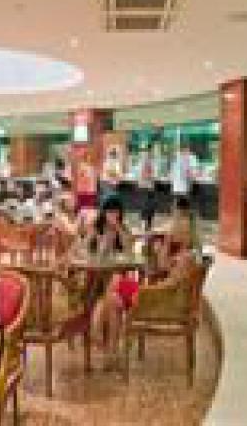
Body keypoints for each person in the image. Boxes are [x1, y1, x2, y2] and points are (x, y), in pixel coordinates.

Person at [86, 196, 136, 367]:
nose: (113, 215)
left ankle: (98, 333)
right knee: (114, 300)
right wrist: (100, 242)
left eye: (116, 211)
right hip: (96, 282)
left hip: (123, 284)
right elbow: (86, 251)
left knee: (115, 283)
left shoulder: (123, 229)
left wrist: (119, 230)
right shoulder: (96, 228)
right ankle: (111, 351)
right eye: (109, 211)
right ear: (104, 212)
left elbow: (130, 252)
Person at [138, 147, 156, 231]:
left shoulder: (149, 161)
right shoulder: (145, 161)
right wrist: (152, 176)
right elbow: (143, 174)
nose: (152, 153)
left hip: (149, 187)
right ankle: (144, 226)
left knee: (150, 207)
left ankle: (148, 226)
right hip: (145, 187)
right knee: (146, 207)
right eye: (151, 151)